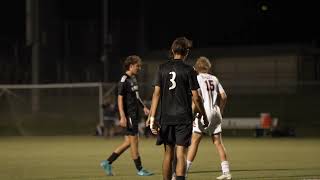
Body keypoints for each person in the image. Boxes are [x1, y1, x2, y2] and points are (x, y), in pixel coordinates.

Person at [147, 37, 208, 180]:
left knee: (168, 154)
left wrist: (152, 117)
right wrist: (203, 115)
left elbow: (156, 94)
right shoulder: (189, 70)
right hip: (183, 117)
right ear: (186, 52)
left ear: (172, 51)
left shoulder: (162, 68)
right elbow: (196, 97)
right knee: (181, 154)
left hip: (166, 117)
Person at [100, 55, 153, 176]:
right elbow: (119, 99)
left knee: (128, 143)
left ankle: (107, 162)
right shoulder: (124, 80)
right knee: (134, 141)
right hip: (129, 115)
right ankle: (140, 169)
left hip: (134, 114)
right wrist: (122, 116)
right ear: (131, 66)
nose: (139, 68)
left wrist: (143, 107)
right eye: (137, 66)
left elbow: (137, 96)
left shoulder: (133, 79)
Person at [186, 56, 232, 180]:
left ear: (196, 67)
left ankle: (183, 171)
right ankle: (226, 172)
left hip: (204, 112)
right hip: (215, 111)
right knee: (218, 142)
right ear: (208, 67)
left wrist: (192, 114)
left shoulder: (196, 78)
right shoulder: (214, 78)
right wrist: (220, 110)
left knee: (194, 141)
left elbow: (197, 98)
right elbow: (224, 96)